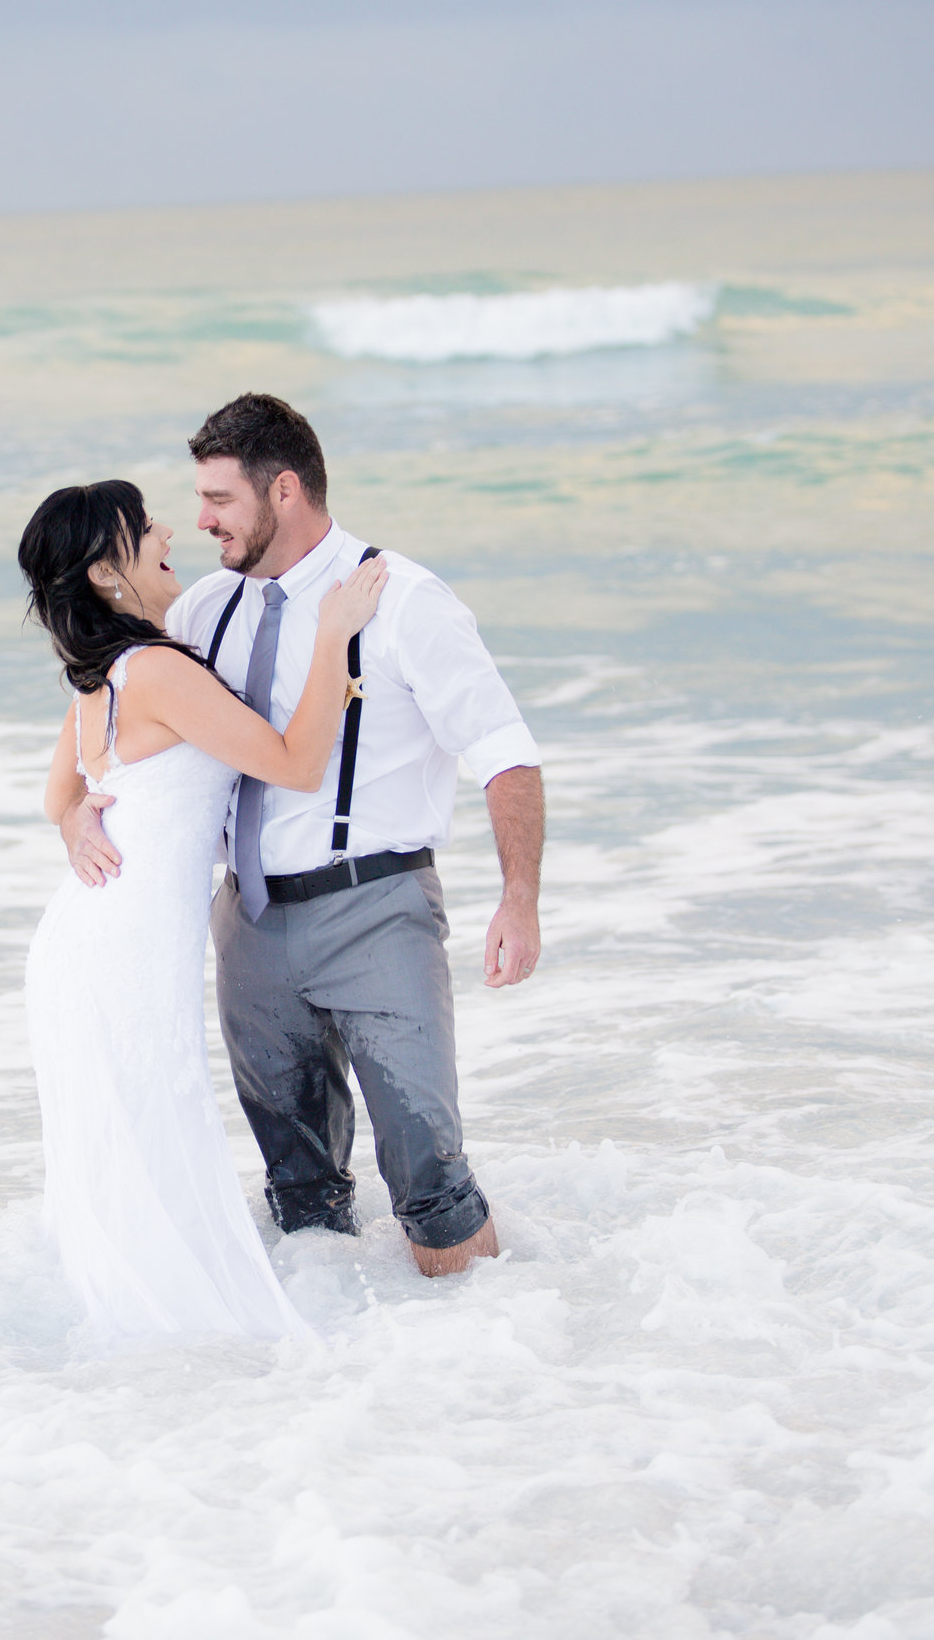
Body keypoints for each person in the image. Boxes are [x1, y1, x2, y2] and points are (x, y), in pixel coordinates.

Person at [60, 394, 544, 1277]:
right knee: (301, 1193)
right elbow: (111, 705)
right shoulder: (204, 609)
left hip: (377, 912)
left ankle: (498, 1362)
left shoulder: (401, 600)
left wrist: (519, 897)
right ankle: (336, 1375)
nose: (199, 520)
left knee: (429, 1177)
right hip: (246, 928)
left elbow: (503, 749)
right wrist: (77, 808)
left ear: (282, 491)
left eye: (218, 500)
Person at [20, 478, 389, 1343]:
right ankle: (192, 1349)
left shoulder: (102, 677)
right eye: (141, 528)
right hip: (121, 949)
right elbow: (297, 763)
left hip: (89, 941)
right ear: (108, 573)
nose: (164, 530)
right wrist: (335, 636)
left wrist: (77, 820)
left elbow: (55, 798)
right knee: (157, 1131)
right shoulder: (152, 670)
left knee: (140, 1150)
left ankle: (151, 1353)